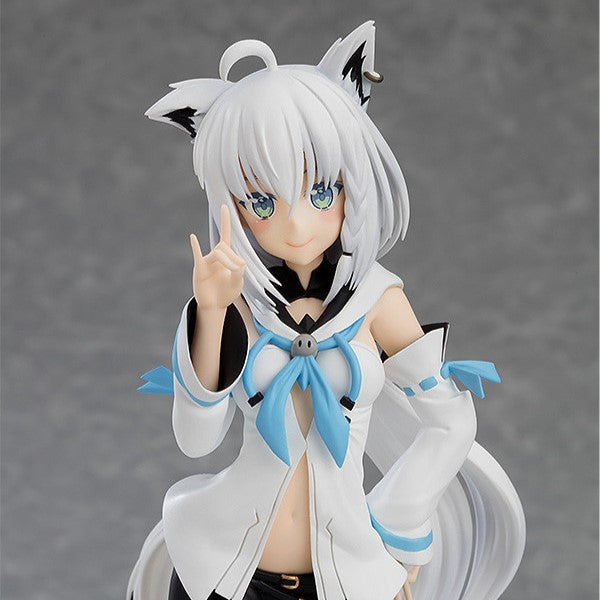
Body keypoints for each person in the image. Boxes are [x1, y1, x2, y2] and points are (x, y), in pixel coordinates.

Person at [128, 22, 525, 600]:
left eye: (320, 192)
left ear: (350, 184)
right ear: (231, 202)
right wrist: (210, 313)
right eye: (262, 201)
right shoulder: (237, 302)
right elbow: (196, 439)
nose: (295, 225)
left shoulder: (377, 300)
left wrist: (399, 530)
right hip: (225, 571)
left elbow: (450, 423)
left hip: (345, 575)